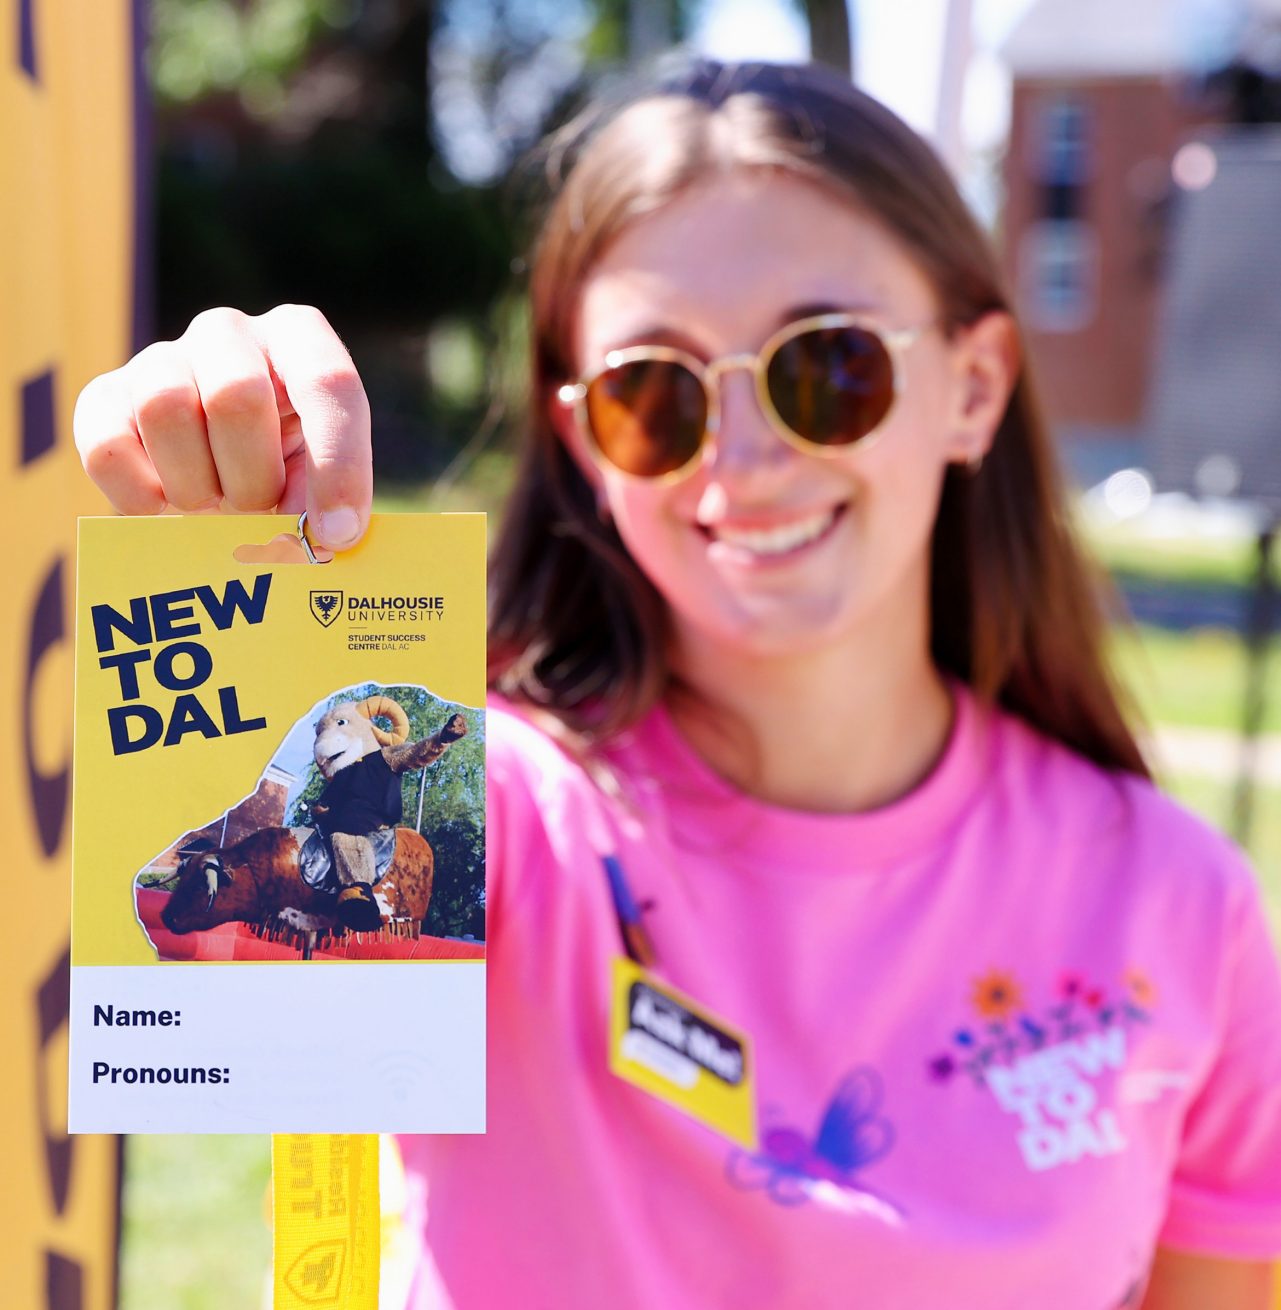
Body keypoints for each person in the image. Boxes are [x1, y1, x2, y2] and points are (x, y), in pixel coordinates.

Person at [74, 55, 1281, 1310]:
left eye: (828, 366)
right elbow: (186, 941)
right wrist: (224, 516)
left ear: (972, 388)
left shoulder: (1181, 904)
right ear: (590, 445)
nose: (746, 460)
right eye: (657, 394)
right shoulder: (497, 827)